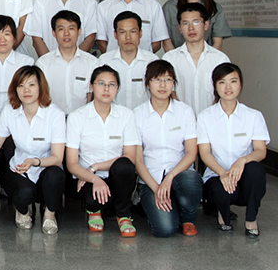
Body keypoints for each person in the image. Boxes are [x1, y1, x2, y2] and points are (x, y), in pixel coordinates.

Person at [66, 65, 139, 237]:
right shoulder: (77, 117)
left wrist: (96, 166)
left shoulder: (126, 115)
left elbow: (130, 157)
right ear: (91, 86)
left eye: (111, 84)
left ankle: (123, 215)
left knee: (125, 165)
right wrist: (93, 177)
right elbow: (71, 163)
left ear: (117, 89)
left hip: (116, 177)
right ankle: (94, 211)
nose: (106, 89)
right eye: (101, 84)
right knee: (93, 199)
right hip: (87, 178)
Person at [198, 63, 270, 237]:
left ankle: (251, 218)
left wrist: (242, 161)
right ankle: (223, 214)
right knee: (219, 189)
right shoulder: (205, 116)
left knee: (256, 170)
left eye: (233, 81)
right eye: (222, 82)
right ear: (215, 87)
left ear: (241, 84)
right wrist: (222, 173)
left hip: (243, 179)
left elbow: (260, 151)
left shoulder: (253, 116)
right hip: (217, 177)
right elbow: (204, 153)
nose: (228, 87)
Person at [133, 60, 203, 237]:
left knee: (191, 182)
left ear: (174, 83)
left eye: (168, 79)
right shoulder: (137, 114)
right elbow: (138, 160)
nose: (162, 85)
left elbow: (191, 153)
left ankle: (188, 218)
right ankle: (157, 204)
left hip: (180, 175)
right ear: (148, 83)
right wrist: (157, 188)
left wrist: (170, 176)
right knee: (165, 229)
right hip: (152, 179)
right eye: (157, 79)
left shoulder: (185, 112)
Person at [0, 66, 65, 234]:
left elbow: (57, 158)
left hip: (46, 167)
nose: (26, 90)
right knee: (23, 191)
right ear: (15, 89)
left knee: (55, 175)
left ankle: (50, 215)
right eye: (21, 85)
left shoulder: (55, 114)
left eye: (31, 85)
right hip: (19, 169)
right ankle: (23, 211)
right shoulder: (9, 111)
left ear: (40, 87)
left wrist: (35, 162)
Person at [162, 3, 230, 115]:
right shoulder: (169, 59)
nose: (191, 28)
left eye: (196, 22)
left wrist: (208, 117)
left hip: (212, 119)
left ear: (206, 25)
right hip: (180, 119)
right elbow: (169, 92)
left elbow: (225, 93)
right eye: (185, 23)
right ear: (180, 28)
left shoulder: (220, 59)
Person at [35, 10, 99, 115]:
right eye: (61, 29)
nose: (66, 33)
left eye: (71, 28)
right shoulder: (42, 64)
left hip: (83, 120)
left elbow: (94, 97)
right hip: (51, 120)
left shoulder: (93, 63)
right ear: (54, 33)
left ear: (79, 31)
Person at [98, 11, 159, 110]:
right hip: (114, 117)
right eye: (122, 32)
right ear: (115, 35)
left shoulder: (152, 61)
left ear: (140, 33)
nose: (128, 37)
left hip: (144, 117)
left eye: (133, 31)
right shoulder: (104, 61)